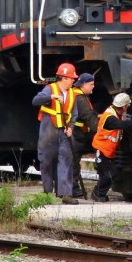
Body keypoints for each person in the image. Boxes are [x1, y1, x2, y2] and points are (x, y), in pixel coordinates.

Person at [32, 63, 78, 204]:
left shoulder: (72, 93)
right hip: (49, 131)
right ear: (63, 78)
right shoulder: (49, 89)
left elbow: (74, 113)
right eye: (71, 78)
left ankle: (65, 194)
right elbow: (35, 101)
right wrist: (51, 97)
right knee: (46, 161)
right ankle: (47, 192)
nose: (73, 81)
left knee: (66, 160)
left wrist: (71, 127)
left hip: (64, 133)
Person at [90, 93, 132, 202]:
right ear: (124, 107)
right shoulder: (110, 117)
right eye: (127, 106)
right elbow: (122, 125)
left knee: (112, 173)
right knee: (108, 175)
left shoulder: (117, 114)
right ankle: (97, 194)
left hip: (109, 151)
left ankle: (99, 194)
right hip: (102, 149)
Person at [70, 73, 98, 198]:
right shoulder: (80, 99)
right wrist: (100, 130)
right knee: (74, 161)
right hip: (76, 134)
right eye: (91, 84)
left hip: (75, 132)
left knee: (73, 161)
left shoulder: (76, 95)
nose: (93, 87)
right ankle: (72, 189)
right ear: (83, 85)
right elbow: (88, 116)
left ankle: (72, 188)